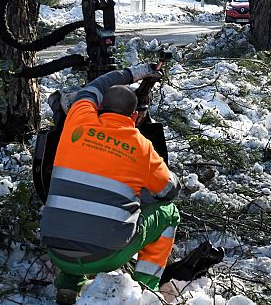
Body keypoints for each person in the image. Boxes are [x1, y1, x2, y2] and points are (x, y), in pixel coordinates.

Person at [40, 65, 181, 304]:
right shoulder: (142, 147)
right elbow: (169, 191)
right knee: (169, 215)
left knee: (76, 211)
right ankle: (147, 290)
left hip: (55, 250)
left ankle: (69, 285)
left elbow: (96, 85)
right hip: (105, 256)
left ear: (99, 107)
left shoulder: (77, 119)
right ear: (135, 117)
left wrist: (134, 72)